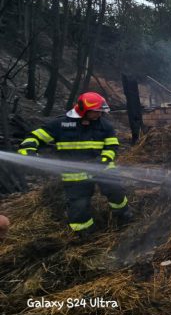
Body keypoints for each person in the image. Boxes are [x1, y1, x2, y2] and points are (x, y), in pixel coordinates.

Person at [17, 92, 132, 238]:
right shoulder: (60, 124)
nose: (99, 115)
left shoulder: (104, 125)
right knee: (79, 205)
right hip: (74, 173)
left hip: (103, 168)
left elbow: (112, 146)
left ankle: (124, 217)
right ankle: (86, 234)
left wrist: (104, 160)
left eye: (100, 112)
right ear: (84, 110)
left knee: (116, 192)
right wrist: (28, 150)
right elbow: (35, 137)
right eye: (96, 112)